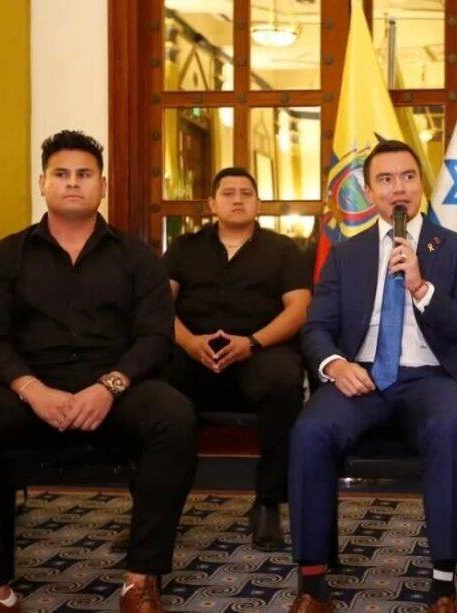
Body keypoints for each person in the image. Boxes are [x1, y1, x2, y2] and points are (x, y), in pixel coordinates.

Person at [0, 130, 196, 613]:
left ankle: (140, 580)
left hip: (114, 391)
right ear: (42, 183)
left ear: (102, 186)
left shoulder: (137, 256)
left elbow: (156, 337)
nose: (73, 183)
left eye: (84, 174)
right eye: (62, 174)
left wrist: (109, 387)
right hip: (30, 391)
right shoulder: (5, 256)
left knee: (174, 416)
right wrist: (31, 389)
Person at [287, 139, 457, 613]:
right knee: (310, 430)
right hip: (361, 378)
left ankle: (443, 585)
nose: (398, 188)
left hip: (431, 379)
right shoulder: (345, 255)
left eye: (408, 177)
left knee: (449, 426)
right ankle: (313, 586)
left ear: (422, 184)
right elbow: (316, 327)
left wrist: (421, 287)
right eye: (385, 179)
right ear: (368, 191)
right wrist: (335, 365)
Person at [163, 166, 311, 548]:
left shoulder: (283, 250)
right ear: (212, 204)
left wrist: (253, 343)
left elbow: (299, 309)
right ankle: (156, 507)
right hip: (193, 355)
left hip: (257, 354)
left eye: (246, 193)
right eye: (228, 193)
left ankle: (267, 503)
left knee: (283, 381)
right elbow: (159, 306)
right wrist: (189, 343)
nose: (238, 200)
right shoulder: (184, 248)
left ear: (258, 203)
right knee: (151, 380)